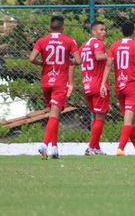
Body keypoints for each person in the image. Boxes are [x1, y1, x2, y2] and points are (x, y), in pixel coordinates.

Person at [29, 15, 81, 159]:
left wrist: (42, 64)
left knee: (54, 114)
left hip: (46, 81)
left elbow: (32, 58)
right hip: (59, 81)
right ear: (63, 27)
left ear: (50, 27)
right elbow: (78, 60)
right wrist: (67, 61)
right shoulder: (68, 41)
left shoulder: (42, 41)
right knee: (54, 114)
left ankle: (55, 147)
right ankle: (44, 145)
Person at [100, 21, 135, 156]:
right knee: (128, 120)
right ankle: (120, 148)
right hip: (132, 86)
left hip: (120, 86)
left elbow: (108, 65)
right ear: (133, 32)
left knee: (129, 119)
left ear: (122, 32)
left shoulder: (115, 46)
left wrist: (103, 83)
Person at [80, 21, 109, 155]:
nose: (104, 32)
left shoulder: (84, 46)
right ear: (94, 32)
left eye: (105, 30)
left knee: (97, 117)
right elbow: (98, 56)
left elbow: (75, 61)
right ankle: (91, 147)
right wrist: (110, 56)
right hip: (98, 85)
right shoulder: (98, 43)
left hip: (86, 84)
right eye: (101, 30)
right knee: (100, 117)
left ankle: (96, 147)